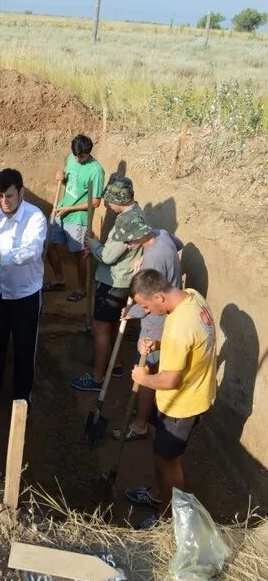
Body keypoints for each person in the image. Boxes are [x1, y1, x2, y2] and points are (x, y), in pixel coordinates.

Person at [125, 269, 217, 527]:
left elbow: (168, 380)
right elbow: (191, 343)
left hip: (180, 404)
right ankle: (157, 493)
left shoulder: (178, 328)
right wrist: (158, 344)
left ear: (159, 297)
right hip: (184, 396)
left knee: (169, 463)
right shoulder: (192, 297)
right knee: (157, 442)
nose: (147, 311)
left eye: (146, 306)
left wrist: (143, 379)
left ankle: (168, 519)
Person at [110, 218, 184, 442]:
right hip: (165, 312)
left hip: (156, 320)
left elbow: (148, 303)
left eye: (129, 242)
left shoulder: (153, 259)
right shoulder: (161, 233)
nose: (127, 246)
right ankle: (145, 411)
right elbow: (178, 243)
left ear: (140, 235)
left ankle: (141, 423)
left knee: (145, 369)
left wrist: (130, 313)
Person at [70, 175, 145, 391]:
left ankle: (97, 377)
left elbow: (109, 256)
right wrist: (98, 248)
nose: (107, 205)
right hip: (124, 280)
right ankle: (116, 365)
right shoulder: (137, 214)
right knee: (112, 325)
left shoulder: (126, 221)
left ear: (118, 199)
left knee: (101, 328)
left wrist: (94, 245)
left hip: (113, 282)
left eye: (109, 200)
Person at [0, 168, 47, 406]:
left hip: (25, 295)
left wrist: (0, 256)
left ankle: (22, 401)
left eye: (8, 196)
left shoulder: (35, 218)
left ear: (21, 192)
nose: (3, 202)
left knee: (24, 350)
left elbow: (31, 252)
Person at [44, 134, 105, 302]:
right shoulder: (72, 158)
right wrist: (61, 178)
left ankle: (81, 288)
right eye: (76, 156)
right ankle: (58, 279)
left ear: (88, 152)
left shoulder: (96, 170)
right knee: (49, 245)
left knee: (79, 254)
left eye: (82, 156)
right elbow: (68, 182)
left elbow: (96, 201)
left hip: (78, 218)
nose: (78, 159)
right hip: (60, 211)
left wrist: (69, 208)